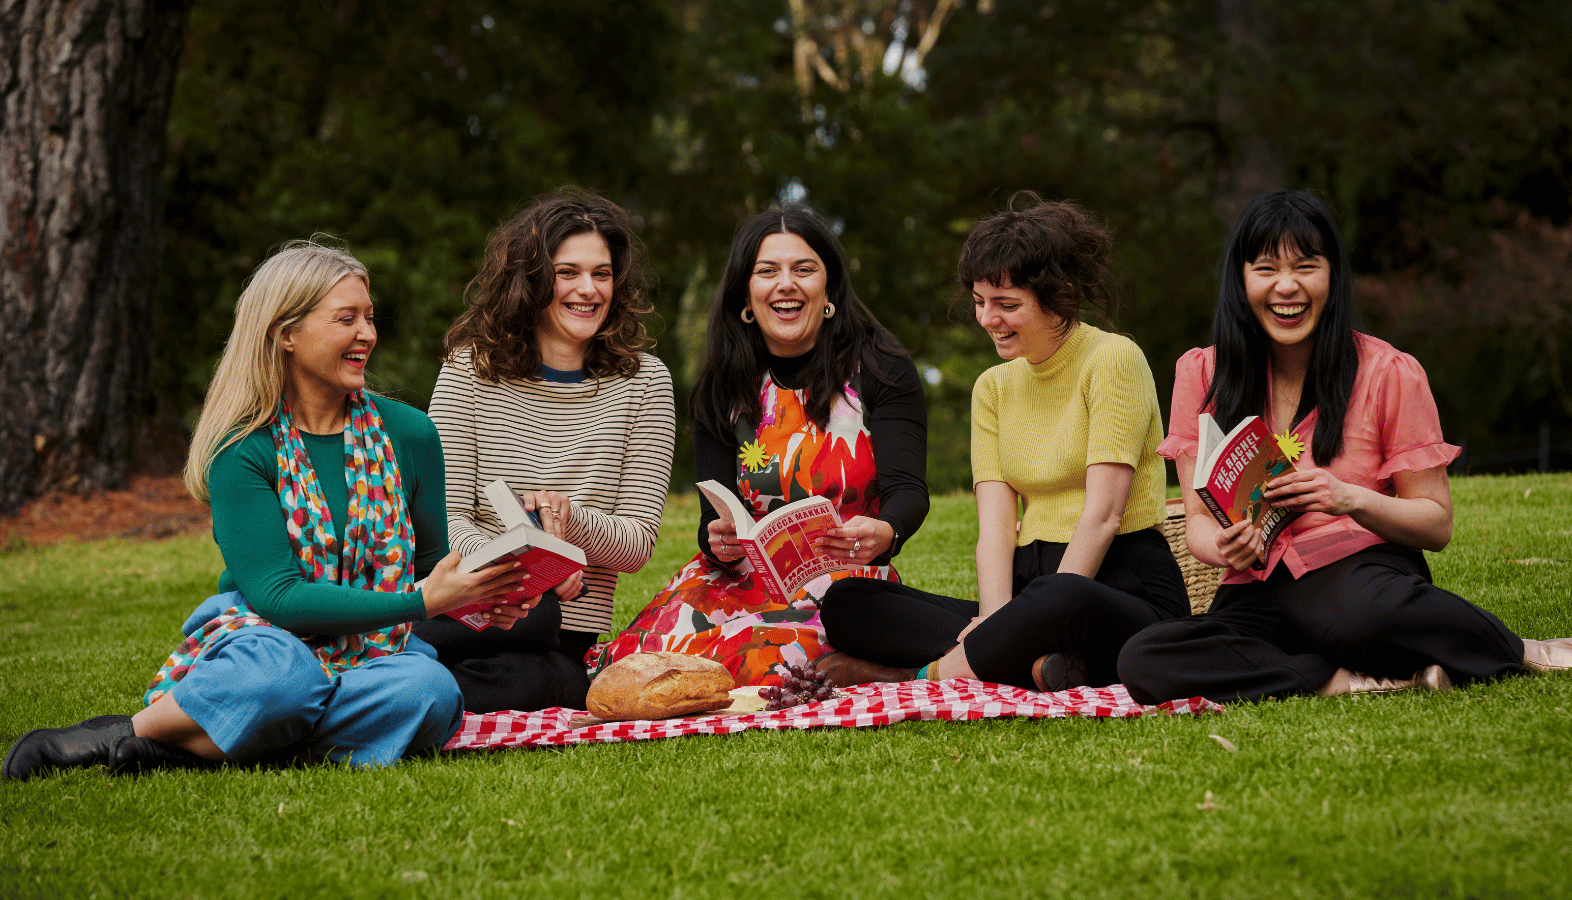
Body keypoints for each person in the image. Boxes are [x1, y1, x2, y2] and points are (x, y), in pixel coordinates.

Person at [2, 241, 529, 780]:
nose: (367, 334)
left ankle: (199, 743)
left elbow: (429, 565)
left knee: (429, 691)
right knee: (282, 677)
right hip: (265, 640)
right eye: (345, 319)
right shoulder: (242, 450)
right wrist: (420, 603)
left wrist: (478, 599)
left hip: (371, 653)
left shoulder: (410, 433)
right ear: (286, 334)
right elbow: (279, 597)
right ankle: (120, 733)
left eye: (369, 318)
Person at [1116, 189, 1572, 705]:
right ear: (1240, 279)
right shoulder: (1203, 373)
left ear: (1333, 275)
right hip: (1255, 589)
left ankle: (1511, 648)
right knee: (1144, 658)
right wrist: (1224, 547)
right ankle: (1342, 679)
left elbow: (1435, 525)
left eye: (1306, 266)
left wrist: (1350, 499)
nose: (1286, 287)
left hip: (1358, 577)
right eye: (1265, 269)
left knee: (1360, 615)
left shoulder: (1388, 372)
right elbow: (1197, 523)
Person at [817, 194, 1189, 692]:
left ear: (1060, 295)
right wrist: (996, 624)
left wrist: (1015, 626)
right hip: (1027, 593)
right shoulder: (992, 389)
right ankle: (1040, 665)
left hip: (1114, 586)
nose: (988, 318)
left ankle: (924, 677)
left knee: (1058, 600)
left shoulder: (1113, 359)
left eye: (1007, 305)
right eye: (979, 302)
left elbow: (1104, 517)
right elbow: (994, 531)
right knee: (850, 605)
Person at [586, 205, 929, 686]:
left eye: (803, 269)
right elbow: (712, 521)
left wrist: (888, 530)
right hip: (738, 581)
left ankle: (872, 669)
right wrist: (717, 542)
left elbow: (910, 491)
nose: (785, 284)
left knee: (766, 664)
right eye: (767, 271)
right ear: (746, 294)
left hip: (846, 586)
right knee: (632, 668)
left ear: (827, 288)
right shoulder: (722, 385)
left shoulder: (880, 366)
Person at [413, 189, 676, 712]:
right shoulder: (468, 369)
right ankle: (401, 671)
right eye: (568, 272)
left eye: (602, 274)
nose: (588, 289)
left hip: (557, 632)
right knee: (529, 619)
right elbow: (444, 519)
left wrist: (568, 523)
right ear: (532, 278)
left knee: (533, 673)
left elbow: (638, 543)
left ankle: (389, 684)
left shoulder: (646, 382)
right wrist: (519, 567)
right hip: (467, 608)